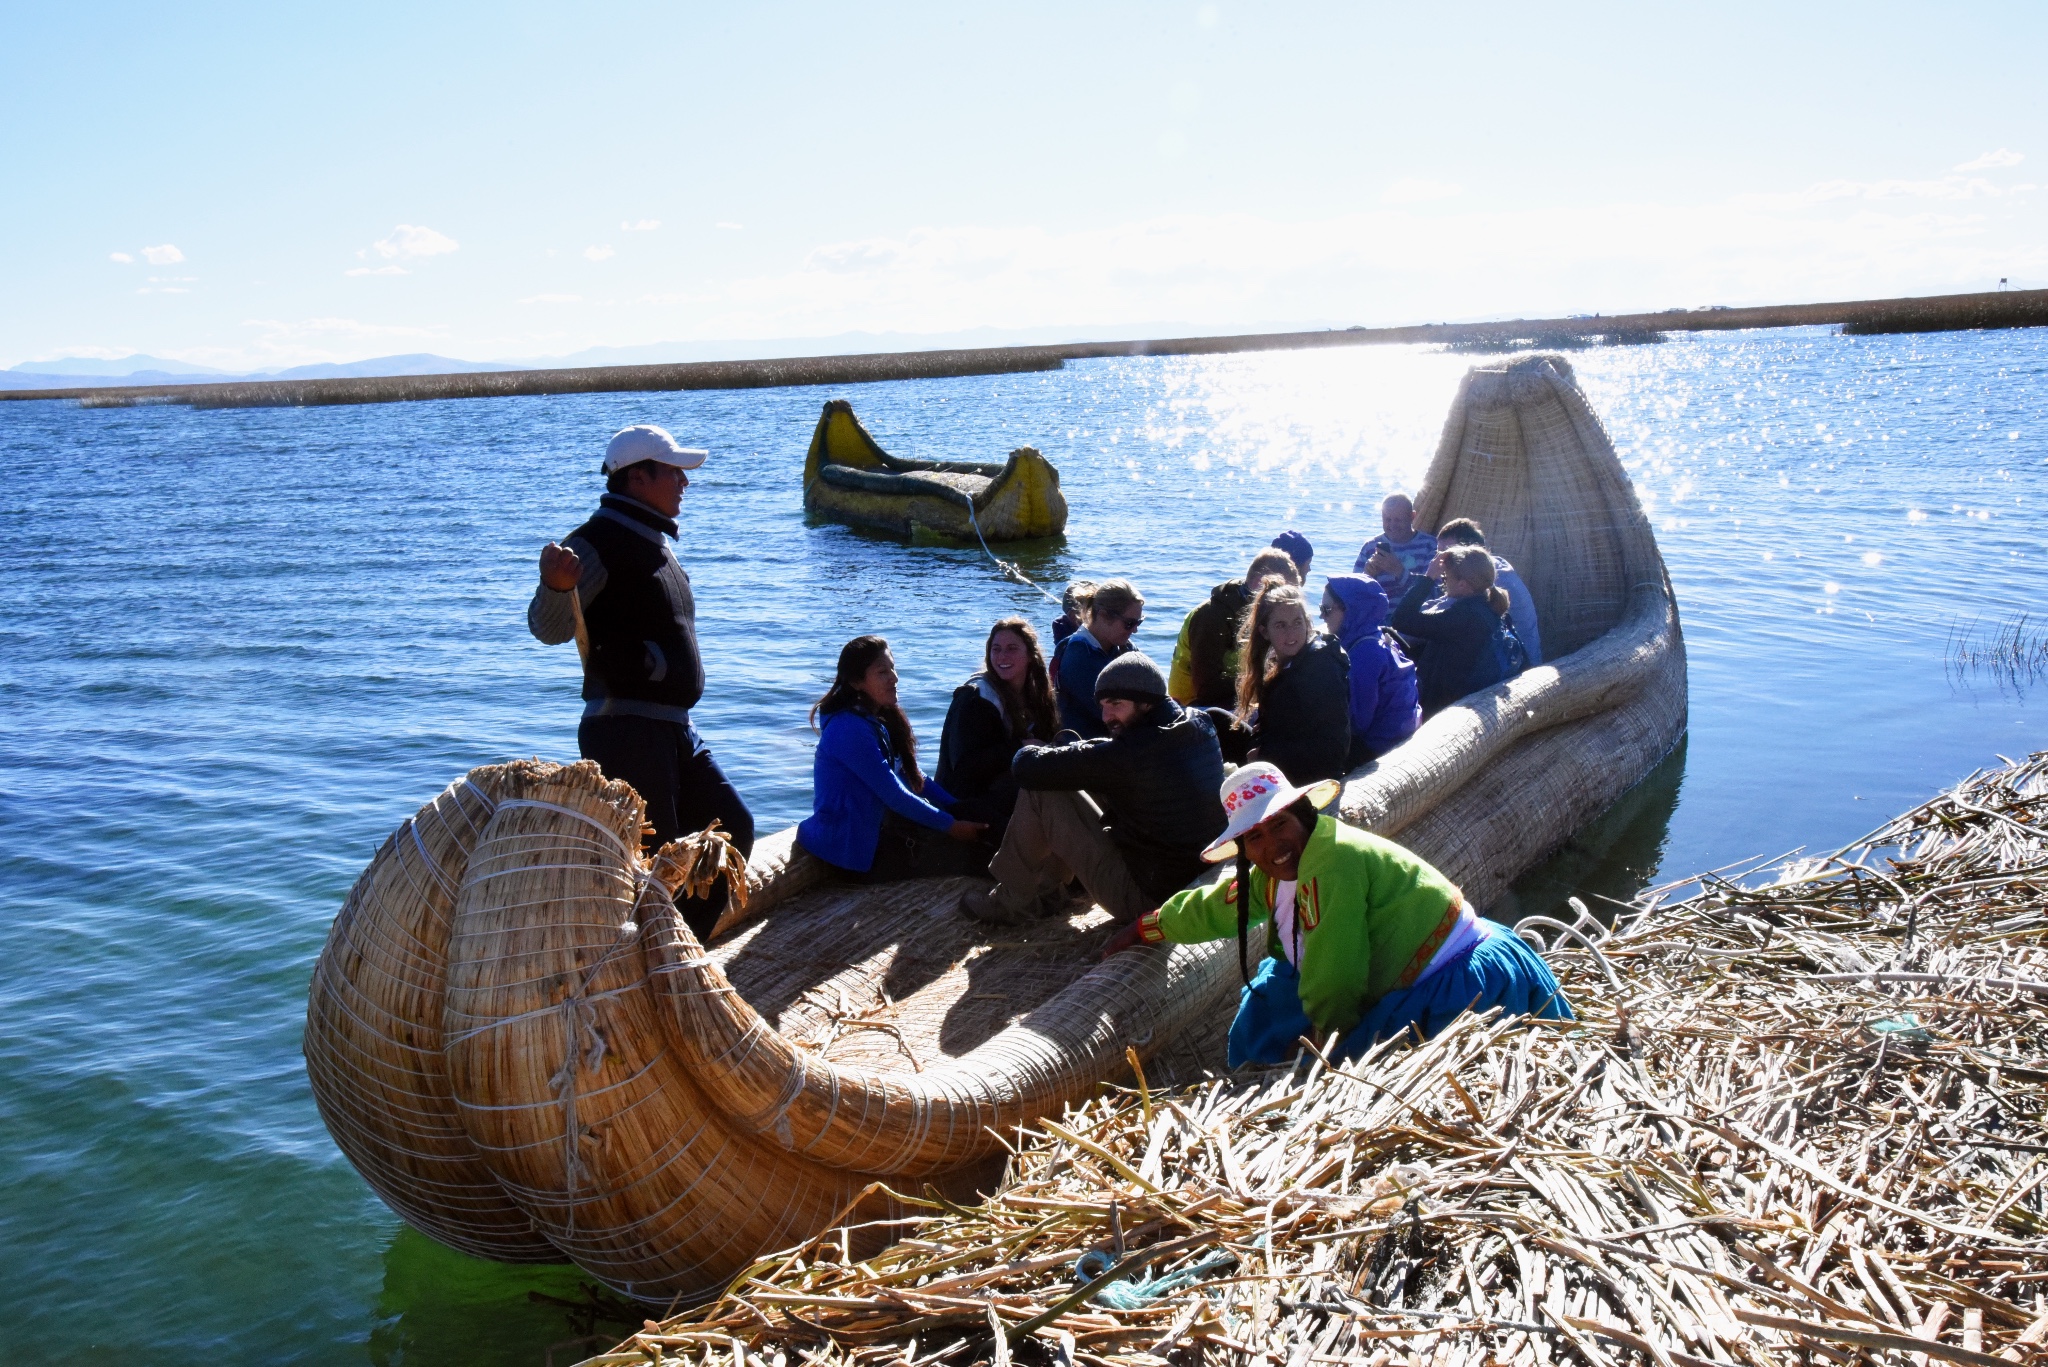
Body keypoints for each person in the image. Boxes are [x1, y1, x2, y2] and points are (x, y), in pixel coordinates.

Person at [1102, 763, 1571, 1066]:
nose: (1272, 845)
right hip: (1418, 973)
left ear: (1303, 816)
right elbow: (1215, 908)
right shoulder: (1273, 874)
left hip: (1461, 985)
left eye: (1279, 824)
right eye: (1255, 838)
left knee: (1328, 1055)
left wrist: (1320, 1052)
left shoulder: (1332, 860)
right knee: (1272, 991)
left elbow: (1336, 973)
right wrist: (1149, 926)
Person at [528, 424, 754, 940]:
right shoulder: (595, 543)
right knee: (659, 866)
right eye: (673, 471)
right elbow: (548, 629)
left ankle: (679, 952)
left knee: (731, 828)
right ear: (637, 477)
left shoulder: (653, 540)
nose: (684, 482)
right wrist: (553, 587)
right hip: (626, 728)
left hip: (673, 729)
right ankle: (654, 967)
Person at [962, 652, 1227, 927]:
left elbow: (1024, 767)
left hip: (1149, 900)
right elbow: (1129, 757)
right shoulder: (1199, 723)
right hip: (1195, 881)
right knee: (1068, 779)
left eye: (1115, 704)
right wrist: (1092, 752)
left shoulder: (1131, 755)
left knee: (1041, 789)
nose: (1106, 716)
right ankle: (1047, 891)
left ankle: (1011, 901)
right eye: (1102, 705)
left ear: (1147, 703)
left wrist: (1030, 744)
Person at [797, 636, 988, 881]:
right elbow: (894, 795)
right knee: (974, 858)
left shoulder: (875, 719)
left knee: (981, 820)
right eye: (882, 672)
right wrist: (951, 826)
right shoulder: (848, 729)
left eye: (893, 668)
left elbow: (912, 777)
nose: (894, 678)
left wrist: (957, 807)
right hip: (851, 852)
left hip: (877, 834)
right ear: (856, 682)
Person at [935, 618, 1059, 844]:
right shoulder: (976, 699)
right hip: (966, 800)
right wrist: (1020, 748)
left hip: (1003, 790)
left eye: (1012, 649)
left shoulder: (1036, 695)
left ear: (1030, 655)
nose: (1002, 657)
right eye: (996, 649)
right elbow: (964, 770)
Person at [1235, 581, 1351, 785]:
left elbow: (1333, 749)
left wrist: (1266, 755)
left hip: (1310, 780)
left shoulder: (1321, 670)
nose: (1291, 633)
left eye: (1297, 622)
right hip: (1281, 764)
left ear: (1307, 623)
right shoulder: (1283, 664)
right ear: (1264, 632)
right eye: (1280, 625)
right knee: (1215, 721)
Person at [1391, 544, 1527, 715]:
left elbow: (1401, 620)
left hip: (1446, 706)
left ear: (1462, 585)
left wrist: (1428, 578)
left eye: (1446, 578)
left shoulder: (1463, 617)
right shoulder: (1490, 607)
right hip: (1469, 695)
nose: (1443, 583)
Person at [1166, 548, 1302, 709]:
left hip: (1237, 698)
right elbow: (1206, 689)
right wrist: (1264, 684)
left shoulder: (1267, 614)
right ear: (1261, 583)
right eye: (1283, 594)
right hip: (1192, 706)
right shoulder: (1211, 616)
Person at [1320, 575, 1421, 767]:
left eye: (1327, 609)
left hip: (1381, 746)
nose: (1322, 616)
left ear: (1351, 610)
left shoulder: (1365, 654)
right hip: (1401, 731)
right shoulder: (1376, 635)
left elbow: (1357, 723)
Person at [1434, 518, 1543, 665]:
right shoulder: (1495, 566)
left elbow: (1431, 619)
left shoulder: (1483, 580)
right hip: (1518, 660)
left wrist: (1426, 579)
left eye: (1447, 555)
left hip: (1514, 670)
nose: (1440, 561)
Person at [1055, 579, 1145, 739]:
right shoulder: (1078, 657)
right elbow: (1115, 715)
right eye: (1129, 623)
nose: (1135, 630)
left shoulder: (1123, 646)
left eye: (1139, 622)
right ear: (1103, 616)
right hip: (1085, 750)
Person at [1353, 493, 1436, 598]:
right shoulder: (1370, 547)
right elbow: (1354, 595)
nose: (1392, 525)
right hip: (1381, 613)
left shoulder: (1429, 546)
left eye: (1398, 520)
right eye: (1388, 519)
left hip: (1415, 613)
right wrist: (1367, 576)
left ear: (1412, 516)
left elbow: (1435, 594)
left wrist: (1399, 571)